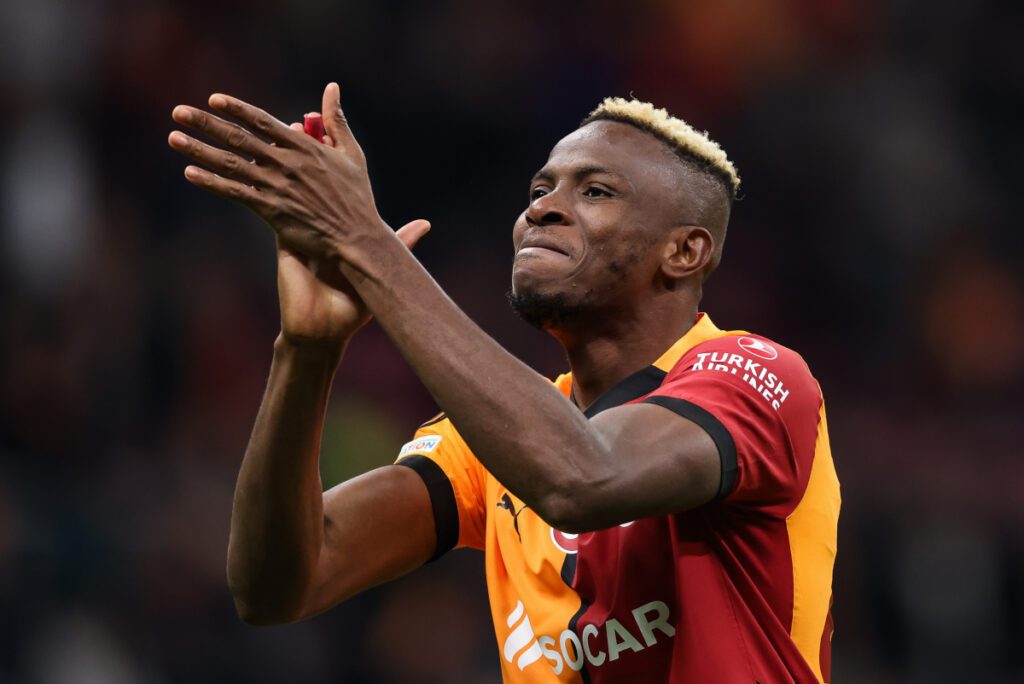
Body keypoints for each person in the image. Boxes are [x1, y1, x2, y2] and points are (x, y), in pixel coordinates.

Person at [167, 83, 840, 683]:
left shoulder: (755, 377)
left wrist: (362, 243)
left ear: (685, 250)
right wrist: (305, 352)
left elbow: (582, 478)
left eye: (596, 191)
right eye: (539, 191)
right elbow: (279, 587)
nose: (543, 210)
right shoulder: (488, 443)